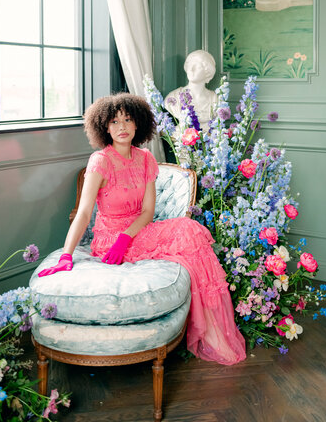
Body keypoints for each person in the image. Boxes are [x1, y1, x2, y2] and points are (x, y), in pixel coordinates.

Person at [38, 93, 246, 366]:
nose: (122, 126)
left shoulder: (146, 158)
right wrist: (67, 254)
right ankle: (211, 333)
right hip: (109, 241)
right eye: (114, 121)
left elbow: (148, 212)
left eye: (128, 119)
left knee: (190, 233)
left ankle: (214, 333)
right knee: (189, 235)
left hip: (135, 233)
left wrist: (128, 236)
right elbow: (85, 212)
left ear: (138, 125)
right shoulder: (100, 161)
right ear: (104, 127)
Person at [164, 50, 218, 131]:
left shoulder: (215, 99)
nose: (191, 69)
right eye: (190, 65)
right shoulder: (173, 98)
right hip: (183, 138)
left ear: (207, 72)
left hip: (208, 139)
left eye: (197, 66)